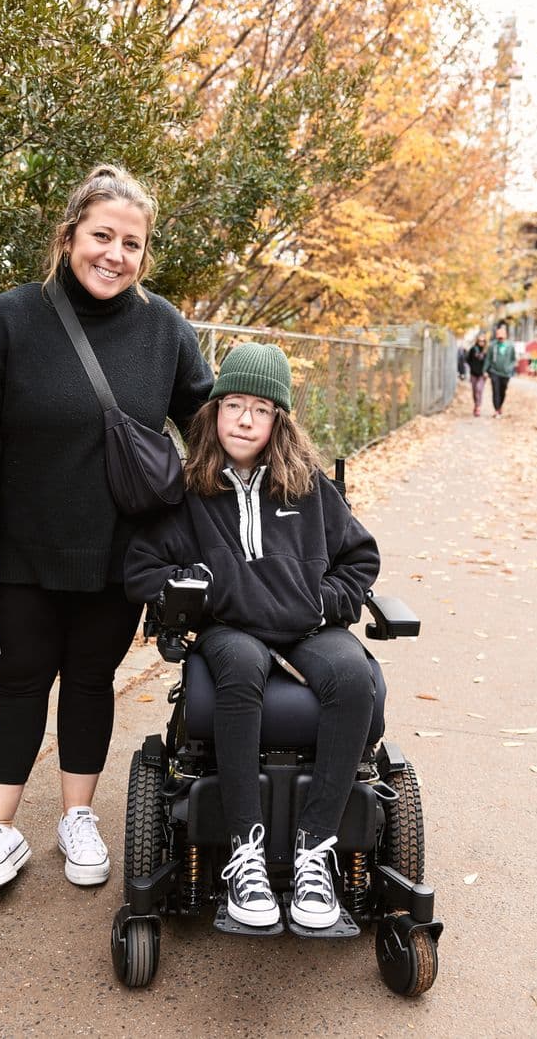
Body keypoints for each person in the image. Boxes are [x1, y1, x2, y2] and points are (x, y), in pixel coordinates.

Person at [0, 164, 213, 903]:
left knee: (92, 681)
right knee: (21, 680)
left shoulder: (163, 329)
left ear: (144, 253)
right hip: (21, 549)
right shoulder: (8, 321)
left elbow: (208, 422)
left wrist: (278, 466)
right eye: (102, 236)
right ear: (69, 237)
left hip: (120, 552)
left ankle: (77, 818)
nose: (115, 255)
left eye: (132, 243)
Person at [124, 343, 380, 930]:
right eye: (234, 404)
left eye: (261, 409)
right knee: (239, 667)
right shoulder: (189, 491)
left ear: (277, 421)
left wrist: (325, 601)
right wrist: (196, 587)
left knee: (352, 674)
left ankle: (315, 852)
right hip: (230, 631)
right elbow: (142, 569)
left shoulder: (308, 488)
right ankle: (247, 853)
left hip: (308, 629)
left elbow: (360, 558)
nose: (245, 419)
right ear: (214, 412)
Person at [484, 320, 516, 417]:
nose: (500, 339)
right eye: (499, 338)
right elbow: (488, 359)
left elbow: (513, 359)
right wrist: (484, 370)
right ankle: (496, 409)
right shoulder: (492, 345)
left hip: (506, 373)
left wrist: (510, 368)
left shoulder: (510, 346)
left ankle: (500, 406)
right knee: (495, 391)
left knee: (502, 391)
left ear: (505, 336)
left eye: (502, 337)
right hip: (494, 372)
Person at [466, 332, 488, 416]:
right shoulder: (473, 349)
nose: (481, 342)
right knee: (474, 391)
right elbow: (468, 359)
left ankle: (478, 407)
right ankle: (476, 405)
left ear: (485, 342)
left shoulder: (486, 351)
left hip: (482, 374)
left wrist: (487, 371)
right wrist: (472, 366)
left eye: (483, 341)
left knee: (479, 389)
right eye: (480, 341)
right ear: (477, 341)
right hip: (473, 374)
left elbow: (489, 362)